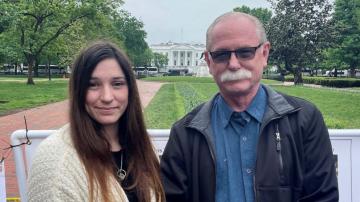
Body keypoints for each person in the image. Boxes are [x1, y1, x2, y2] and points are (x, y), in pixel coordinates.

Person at [160, 12, 338, 202]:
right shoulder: (184, 133)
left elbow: (321, 197)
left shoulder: (304, 120)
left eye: (245, 52)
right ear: (209, 61)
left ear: (264, 53)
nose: (234, 64)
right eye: (221, 55)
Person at [28, 41, 165, 202]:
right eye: (93, 85)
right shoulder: (56, 165)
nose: (107, 97)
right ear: (78, 90)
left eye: (117, 84)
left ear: (130, 89)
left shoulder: (142, 147)